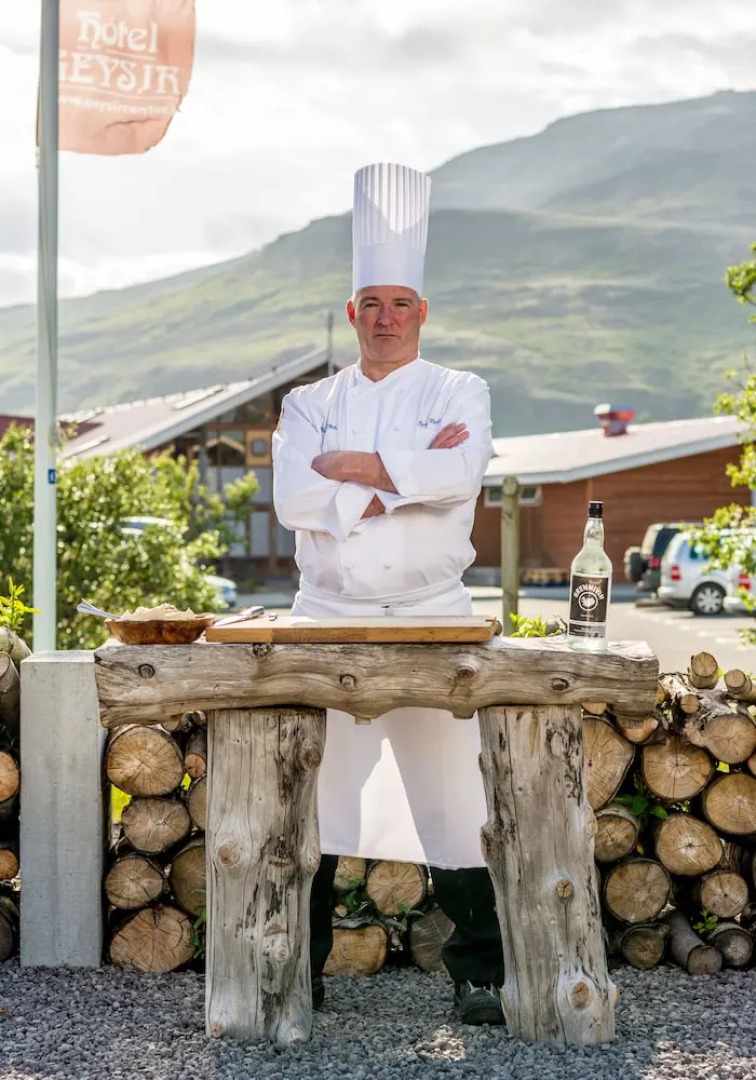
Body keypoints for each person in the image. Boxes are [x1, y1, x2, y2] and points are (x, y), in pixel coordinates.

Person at [272, 162, 505, 1025]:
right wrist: (404, 478)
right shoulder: (309, 401)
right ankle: (303, 971)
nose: (384, 319)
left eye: (400, 304)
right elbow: (293, 500)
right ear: (351, 313)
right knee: (315, 798)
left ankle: (480, 973)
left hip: (435, 617)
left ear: (422, 312)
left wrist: (357, 472)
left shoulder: (459, 391)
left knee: (455, 796)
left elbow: (461, 471)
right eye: (371, 304)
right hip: (325, 621)